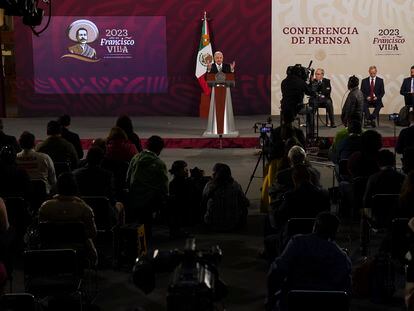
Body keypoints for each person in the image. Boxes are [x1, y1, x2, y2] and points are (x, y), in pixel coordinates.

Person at [266, 212, 352, 311]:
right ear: (334, 233)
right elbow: (346, 292)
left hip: (293, 302)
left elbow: (276, 271)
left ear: (314, 227)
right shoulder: (341, 257)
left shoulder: (297, 243)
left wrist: (270, 299)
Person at [39, 172, 98, 265]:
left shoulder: (46, 207)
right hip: (77, 251)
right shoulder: (84, 208)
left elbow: (40, 230)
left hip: (51, 249)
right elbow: (93, 233)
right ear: (75, 187)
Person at [126, 136, 168, 240]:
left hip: (134, 197)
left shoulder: (135, 158)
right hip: (150, 200)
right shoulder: (159, 163)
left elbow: (128, 177)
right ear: (160, 150)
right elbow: (164, 184)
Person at [73, 146, 124, 226]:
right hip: (104, 212)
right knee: (120, 205)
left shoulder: (75, 174)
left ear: (87, 158)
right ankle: (119, 235)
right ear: (101, 160)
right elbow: (112, 199)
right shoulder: (107, 175)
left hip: (80, 210)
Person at [202, 163, 249, 232]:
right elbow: (246, 203)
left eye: (214, 173)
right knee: (243, 205)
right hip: (232, 225)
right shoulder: (235, 185)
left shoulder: (209, 185)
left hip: (212, 224)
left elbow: (203, 200)